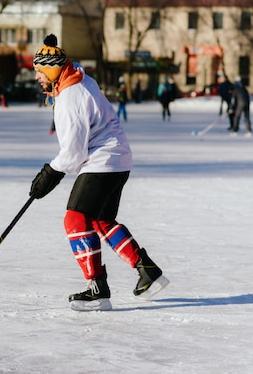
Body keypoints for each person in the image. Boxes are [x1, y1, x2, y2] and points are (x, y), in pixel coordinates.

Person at [29, 34, 169, 312]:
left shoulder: (70, 98)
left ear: (53, 71)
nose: (37, 78)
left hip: (103, 161)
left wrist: (47, 176)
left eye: (39, 72)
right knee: (102, 219)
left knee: (75, 219)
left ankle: (97, 288)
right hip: (118, 159)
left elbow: (72, 155)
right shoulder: (78, 78)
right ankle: (148, 271)